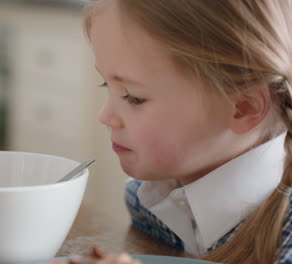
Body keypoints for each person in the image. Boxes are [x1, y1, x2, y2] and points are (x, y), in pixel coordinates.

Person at [83, 0, 292, 263]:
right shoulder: (148, 202)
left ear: (243, 108)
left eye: (133, 97)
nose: (104, 116)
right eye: (106, 83)